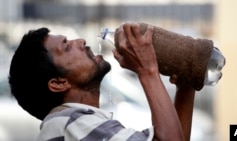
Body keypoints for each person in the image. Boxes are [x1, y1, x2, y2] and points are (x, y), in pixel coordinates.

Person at [8, 22, 196, 141]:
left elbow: (173, 136)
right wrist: (147, 70)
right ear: (58, 82)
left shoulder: (72, 125)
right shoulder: (72, 124)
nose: (80, 41)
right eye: (66, 46)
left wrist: (185, 88)